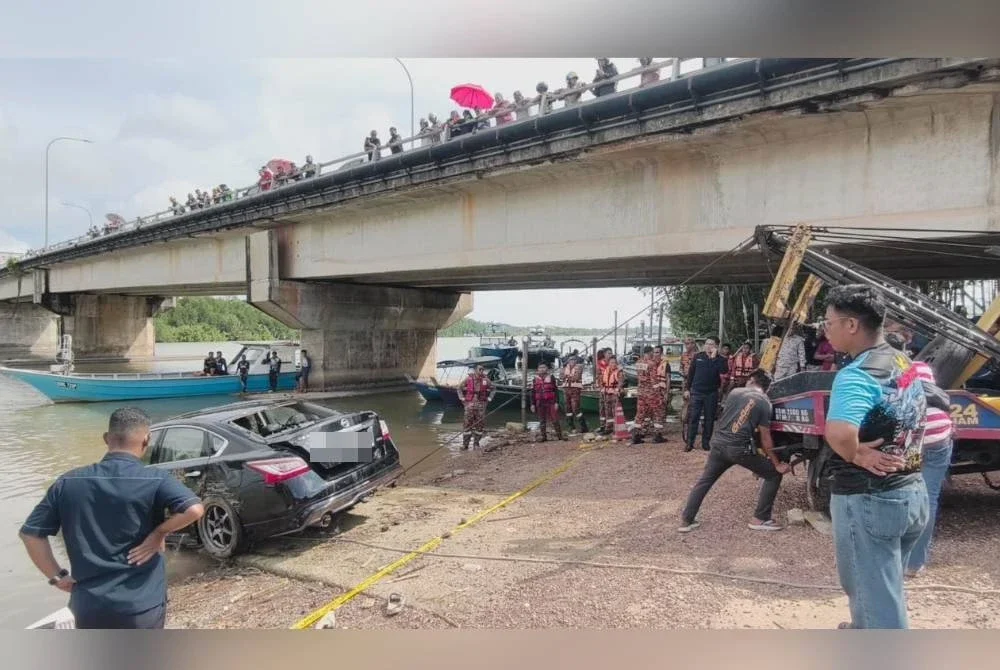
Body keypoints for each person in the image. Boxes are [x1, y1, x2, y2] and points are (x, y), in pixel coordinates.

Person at [822, 284, 945, 629]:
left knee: (879, 608)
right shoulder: (901, 360)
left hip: (870, 500)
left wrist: (857, 453)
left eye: (828, 322)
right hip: (910, 495)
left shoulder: (856, 374)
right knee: (881, 589)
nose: (825, 329)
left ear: (851, 325)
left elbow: (839, 432)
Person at [18, 408, 205, 629]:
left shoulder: (68, 482)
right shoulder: (156, 479)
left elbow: (30, 534)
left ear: (107, 439)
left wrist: (57, 577)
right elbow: (194, 509)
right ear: (146, 440)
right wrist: (159, 532)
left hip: (88, 604)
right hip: (141, 604)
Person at [678, 369, 789, 533]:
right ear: (767, 388)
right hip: (739, 449)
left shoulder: (735, 392)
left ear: (751, 380)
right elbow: (765, 438)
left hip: (718, 445)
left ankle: (687, 520)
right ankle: (760, 518)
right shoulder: (765, 403)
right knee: (773, 474)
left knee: (705, 481)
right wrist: (776, 463)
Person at [683, 336, 730, 452]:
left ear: (716, 346)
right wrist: (687, 389)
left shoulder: (721, 359)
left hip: (711, 393)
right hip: (697, 391)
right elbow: (691, 373)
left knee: (709, 419)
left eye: (711, 344)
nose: (708, 346)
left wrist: (713, 358)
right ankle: (689, 443)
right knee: (693, 417)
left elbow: (724, 371)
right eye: (707, 343)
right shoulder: (698, 356)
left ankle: (706, 443)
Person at [632, 346, 664, 444]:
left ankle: (636, 435)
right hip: (651, 392)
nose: (653, 354)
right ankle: (657, 435)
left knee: (640, 413)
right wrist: (659, 392)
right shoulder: (651, 364)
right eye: (652, 352)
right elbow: (654, 380)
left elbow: (639, 377)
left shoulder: (638, 363)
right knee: (658, 411)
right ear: (650, 352)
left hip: (641, 391)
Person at [459, 364, 494, 449]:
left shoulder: (486, 380)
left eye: (483, 370)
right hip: (470, 404)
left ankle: (476, 444)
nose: (481, 371)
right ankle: (465, 444)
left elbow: (493, 388)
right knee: (467, 424)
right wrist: (462, 398)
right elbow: (459, 388)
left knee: (479, 424)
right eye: (480, 370)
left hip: (481, 405)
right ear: (475, 370)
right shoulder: (468, 379)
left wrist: (490, 398)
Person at [531, 362, 563, 442]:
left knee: (555, 419)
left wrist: (557, 402)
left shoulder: (551, 377)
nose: (542, 369)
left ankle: (560, 436)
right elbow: (533, 392)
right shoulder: (535, 379)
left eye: (544, 367)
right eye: (540, 368)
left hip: (551, 401)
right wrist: (532, 404)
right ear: (537, 369)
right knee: (542, 420)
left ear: (547, 369)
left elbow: (556, 390)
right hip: (540, 402)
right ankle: (543, 437)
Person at [598, 354, 625, 435]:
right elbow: (602, 381)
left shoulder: (619, 372)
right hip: (607, 393)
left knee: (615, 412)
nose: (613, 364)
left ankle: (616, 428)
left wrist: (617, 390)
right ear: (609, 363)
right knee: (607, 412)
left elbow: (621, 382)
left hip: (614, 394)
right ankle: (608, 428)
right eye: (611, 362)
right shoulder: (606, 370)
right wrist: (602, 388)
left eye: (614, 362)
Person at [561, 355, 588, 433]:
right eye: (570, 360)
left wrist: (567, 377)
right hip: (566, 389)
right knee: (567, 408)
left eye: (574, 360)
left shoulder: (579, 367)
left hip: (575, 389)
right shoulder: (564, 368)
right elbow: (561, 376)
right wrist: (568, 376)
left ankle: (584, 427)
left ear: (576, 361)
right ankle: (571, 427)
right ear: (568, 361)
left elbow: (576, 377)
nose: (572, 361)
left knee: (576, 408)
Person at [654, 345, 672, 432]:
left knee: (661, 410)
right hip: (653, 391)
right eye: (654, 352)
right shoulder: (651, 364)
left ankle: (658, 432)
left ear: (661, 353)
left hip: (662, 390)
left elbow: (668, 380)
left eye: (657, 352)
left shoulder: (666, 364)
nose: (655, 354)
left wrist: (667, 393)